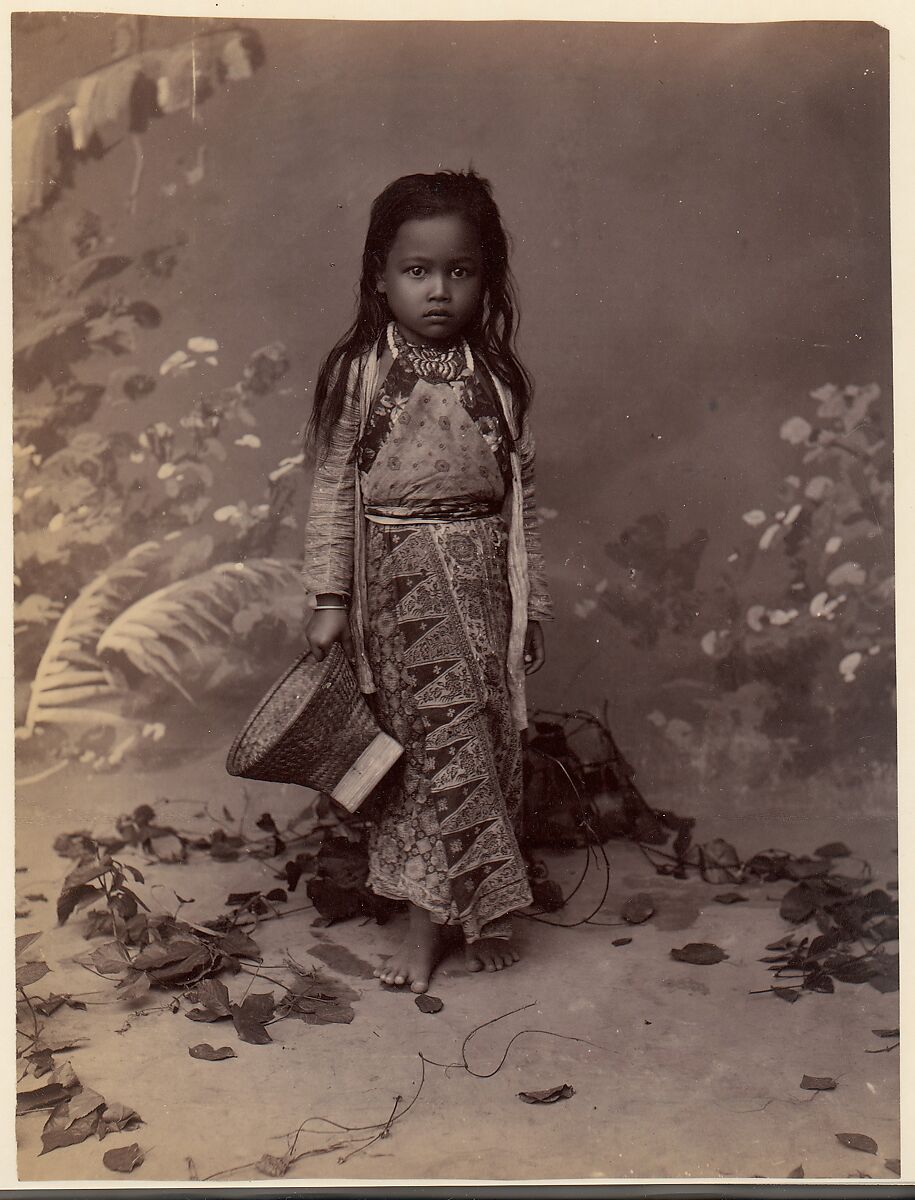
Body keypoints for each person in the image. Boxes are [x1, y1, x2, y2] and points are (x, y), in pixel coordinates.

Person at [301, 169, 552, 994]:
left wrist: (529, 607)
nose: (438, 291)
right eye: (417, 271)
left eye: (460, 271)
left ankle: (477, 914)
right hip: (398, 585)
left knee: (483, 742)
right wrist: (330, 598)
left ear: (487, 277)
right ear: (379, 275)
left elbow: (519, 506)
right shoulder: (362, 374)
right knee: (423, 749)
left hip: (482, 580)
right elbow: (337, 489)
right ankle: (420, 922)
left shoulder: (495, 379)